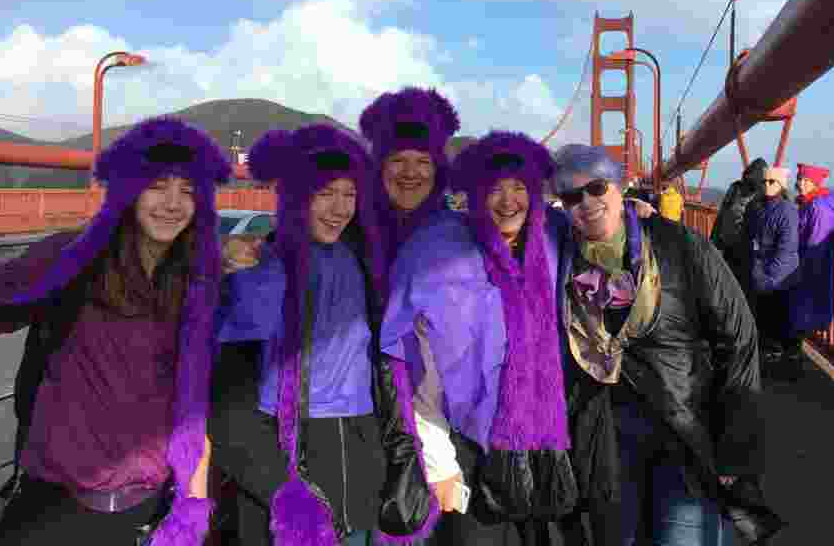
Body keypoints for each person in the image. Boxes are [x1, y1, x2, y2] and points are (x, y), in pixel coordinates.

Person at [0, 117, 231, 546]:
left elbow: (192, 404)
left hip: (146, 503)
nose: (173, 203)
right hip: (55, 503)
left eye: (188, 191)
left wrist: (192, 510)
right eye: (158, 186)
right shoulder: (71, 258)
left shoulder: (195, 282)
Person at [550, 144, 783, 546]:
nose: (586, 202)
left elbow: (739, 337)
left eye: (597, 187)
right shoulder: (557, 260)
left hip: (685, 430)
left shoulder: (681, 246)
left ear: (619, 188)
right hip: (606, 437)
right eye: (571, 195)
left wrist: (736, 442)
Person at [378, 132, 578, 546]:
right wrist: (440, 465)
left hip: (542, 448)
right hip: (466, 450)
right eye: (495, 190)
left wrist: (637, 217)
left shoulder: (551, 241)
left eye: (520, 188)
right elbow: (418, 368)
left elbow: (600, 228)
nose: (508, 202)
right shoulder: (442, 254)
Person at [208, 124, 403, 546]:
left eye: (349, 194)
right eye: (323, 193)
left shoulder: (360, 261)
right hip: (286, 467)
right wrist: (281, 492)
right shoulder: (261, 274)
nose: (338, 208)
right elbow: (229, 408)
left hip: (358, 466)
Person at [359, 87, 461, 262]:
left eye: (423, 162)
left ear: (438, 170)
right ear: (379, 167)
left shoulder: (458, 241)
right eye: (398, 160)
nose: (410, 173)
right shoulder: (350, 232)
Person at [787, 164, 834, 374]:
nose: (801, 184)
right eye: (800, 179)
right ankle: (793, 359)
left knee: (800, 313)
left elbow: (814, 243)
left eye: (806, 180)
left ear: (815, 183)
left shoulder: (817, 207)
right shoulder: (811, 203)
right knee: (799, 315)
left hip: (808, 267)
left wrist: (799, 267)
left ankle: (793, 363)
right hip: (805, 265)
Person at [746, 167, 800, 368]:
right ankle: (777, 359)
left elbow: (786, 250)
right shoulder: (763, 208)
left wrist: (767, 276)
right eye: (765, 181)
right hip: (767, 274)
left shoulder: (786, 211)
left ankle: (783, 362)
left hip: (778, 278)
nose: (766, 185)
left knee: (778, 321)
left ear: (781, 185)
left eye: (772, 182)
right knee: (770, 321)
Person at [709, 158, 768, 315]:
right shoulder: (757, 194)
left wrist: (714, 241)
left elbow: (722, 215)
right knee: (740, 286)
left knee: (732, 284)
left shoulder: (736, 189)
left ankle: (733, 315)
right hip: (740, 248)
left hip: (733, 245)